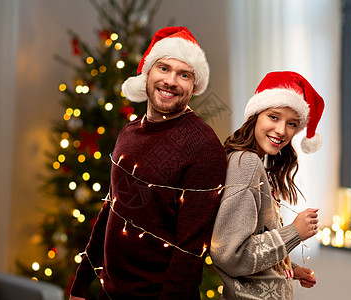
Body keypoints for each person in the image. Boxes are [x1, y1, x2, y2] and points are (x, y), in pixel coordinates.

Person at [69, 26, 227, 300]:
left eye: (184, 74)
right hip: (110, 293)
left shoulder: (203, 147)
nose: (171, 81)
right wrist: (80, 285)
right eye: (163, 68)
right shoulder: (129, 133)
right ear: (148, 73)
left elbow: (188, 253)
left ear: (194, 85)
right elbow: (110, 211)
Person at [210, 71, 325, 300]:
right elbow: (229, 254)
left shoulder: (255, 163)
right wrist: (294, 232)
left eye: (291, 123)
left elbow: (253, 244)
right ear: (256, 115)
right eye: (274, 117)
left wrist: (285, 269)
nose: (281, 131)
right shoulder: (247, 164)